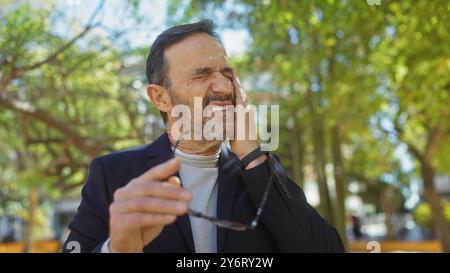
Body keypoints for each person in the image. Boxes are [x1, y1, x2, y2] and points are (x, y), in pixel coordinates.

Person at [62, 20, 344, 253]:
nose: (222, 87)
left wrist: (253, 156)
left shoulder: (260, 172)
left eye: (226, 72)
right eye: (202, 75)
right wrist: (116, 249)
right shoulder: (113, 174)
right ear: (160, 97)